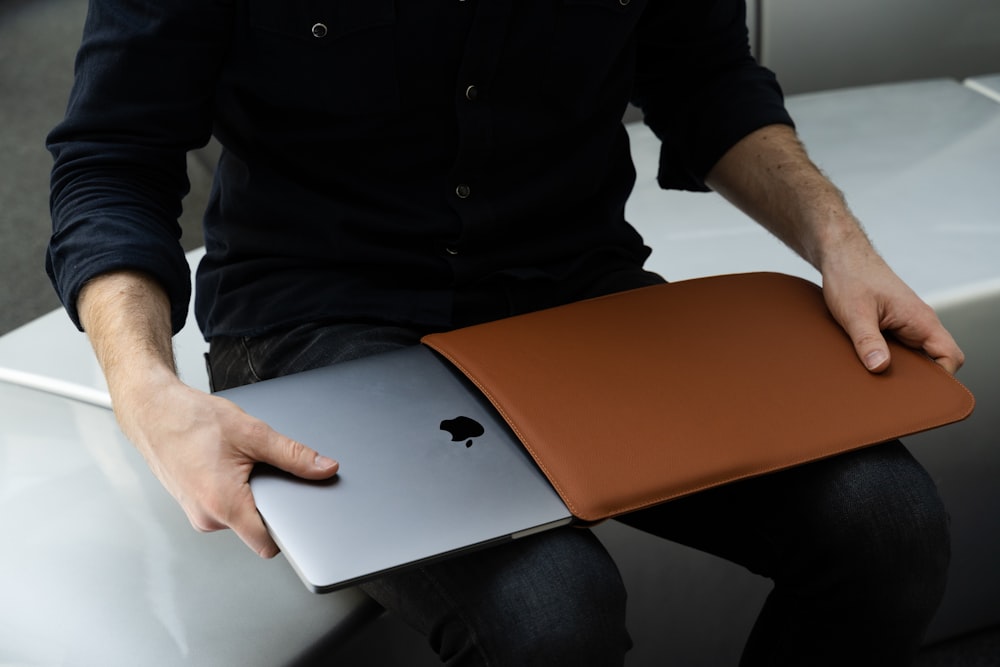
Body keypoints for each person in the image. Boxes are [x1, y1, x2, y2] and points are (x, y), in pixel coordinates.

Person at [47, 1, 963, 664]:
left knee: (889, 525)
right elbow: (112, 155)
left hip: (576, 290)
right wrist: (147, 394)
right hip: (320, 312)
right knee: (554, 611)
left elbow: (704, 73)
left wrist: (839, 243)